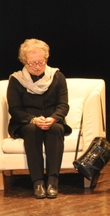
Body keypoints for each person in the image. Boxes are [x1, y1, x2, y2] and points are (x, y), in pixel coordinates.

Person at [7, 38, 71, 199]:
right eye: (32, 63)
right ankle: (37, 182)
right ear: (24, 62)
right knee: (31, 130)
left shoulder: (57, 76)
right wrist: (33, 119)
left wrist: (54, 118)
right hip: (26, 122)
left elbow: (63, 105)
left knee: (56, 129)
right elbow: (15, 109)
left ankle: (52, 181)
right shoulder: (16, 80)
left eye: (40, 62)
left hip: (52, 120)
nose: (37, 66)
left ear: (46, 59)